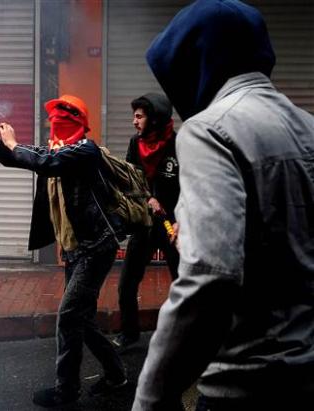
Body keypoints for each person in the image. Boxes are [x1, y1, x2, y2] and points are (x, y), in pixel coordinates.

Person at [132, 1, 314, 410]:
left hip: (247, 386)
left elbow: (210, 277)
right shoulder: (308, 127)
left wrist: (151, 397)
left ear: (195, 62)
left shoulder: (208, 130)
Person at [0, 95, 127, 407]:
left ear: (79, 123)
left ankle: (66, 391)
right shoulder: (56, 150)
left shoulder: (85, 151)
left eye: (63, 121)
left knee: (68, 316)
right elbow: (16, 158)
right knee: (83, 319)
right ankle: (117, 375)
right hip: (77, 250)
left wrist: (13, 142)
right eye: (55, 122)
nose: (55, 127)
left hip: (97, 248)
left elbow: (44, 163)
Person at [112, 93, 180, 350]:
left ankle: (182, 333)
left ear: (154, 119)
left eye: (139, 116)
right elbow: (130, 180)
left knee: (183, 282)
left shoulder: (179, 143)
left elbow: (190, 184)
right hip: (145, 224)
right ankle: (129, 332)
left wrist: (179, 217)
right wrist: (147, 198)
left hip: (172, 225)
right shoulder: (135, 143)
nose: (134, 121)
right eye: (134, 116)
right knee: (127, 282)